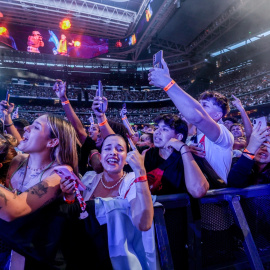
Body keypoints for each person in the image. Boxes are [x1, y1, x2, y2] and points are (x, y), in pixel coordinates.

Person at [60, 134, 155, 269]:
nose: (113, 152)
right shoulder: (89, 179)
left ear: (127, 159)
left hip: (118, 259)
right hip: (84, 253)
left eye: (119, 149)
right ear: (100, 157)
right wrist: (69, 196)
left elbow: (144, 224)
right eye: (108, 148)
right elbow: (74, 215)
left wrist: (140, 171)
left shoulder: (133, 181)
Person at [148, 59, 234, 183]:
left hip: (215, 198)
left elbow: (198, 117)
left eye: (205, 105)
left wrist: (167, 83)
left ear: (217, 114)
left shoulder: (225, 135)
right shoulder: (196, 137)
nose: (200, 108)